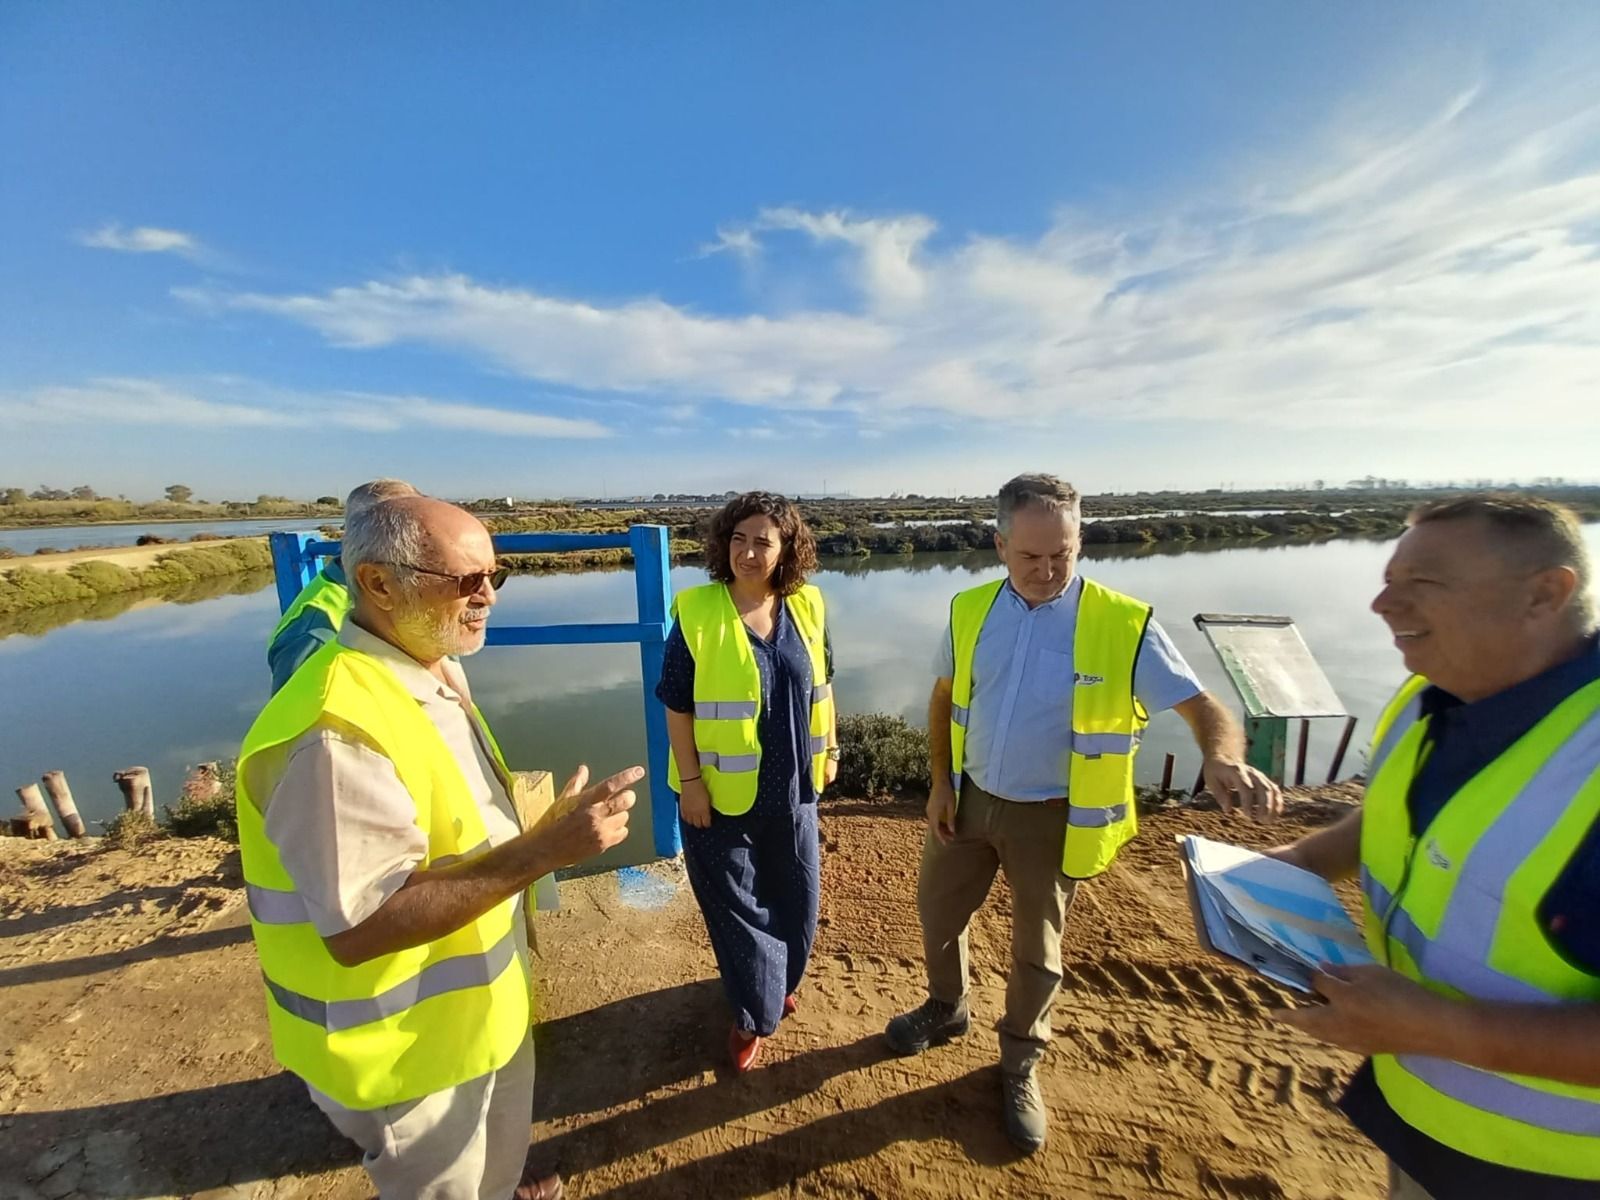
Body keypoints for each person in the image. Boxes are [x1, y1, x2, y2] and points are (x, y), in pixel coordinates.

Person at [237, 495, 643, 1200]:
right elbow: (363, 924)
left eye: (495, 574)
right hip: (407, 1060)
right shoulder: (335, 733)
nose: (486, 594)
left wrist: (539, 828)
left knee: (496, 1174)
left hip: (473, 1023)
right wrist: (544, 852)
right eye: (464, 579)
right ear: (378, 583)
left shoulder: (424, 669)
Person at [885, 472, 1281, 1152]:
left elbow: (1203, 706)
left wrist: (1221, 756)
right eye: (1030, 555)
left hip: (1053, 814)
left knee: (1037, 951)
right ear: (1000, 544)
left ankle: (1019, 1063)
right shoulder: (968, 608)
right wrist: (941, 783)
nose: (1046, 571)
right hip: (972, 798)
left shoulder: (1122, 622)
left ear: (1079, 541)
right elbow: (944, 697)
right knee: (938, 911)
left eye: (1061, 554)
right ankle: (948, 1007)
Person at [1270, 495, 1600, 1200]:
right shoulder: (1430, 696)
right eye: (1389, 579)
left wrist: (1444, 1029)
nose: (1382, 604)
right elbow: (1391, 818)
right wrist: (1302, 862)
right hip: (1421, 1122)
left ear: (1545, 594)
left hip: (1555, 1173)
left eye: (1422, 584)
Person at [656, 490, 838, 1072]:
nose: (748, 552)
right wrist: (691, 783)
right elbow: (676, 704)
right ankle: (751, 1013)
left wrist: (830, 751)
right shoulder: (699, 612)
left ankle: (775, 982)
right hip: (717, 795)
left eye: (763, 541)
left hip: (793, 790)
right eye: (738, 539)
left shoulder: (807, 606)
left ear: (786, 549)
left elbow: (824, 686)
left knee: (799, 902)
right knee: (740, 912)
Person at [267, 477, 419, 693]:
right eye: (402, 532)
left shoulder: (397, 590)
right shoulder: (316, 632)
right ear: (356, 538)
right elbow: (297, 719)